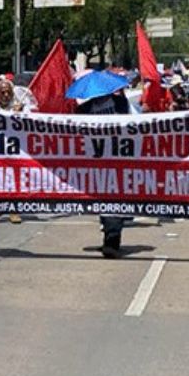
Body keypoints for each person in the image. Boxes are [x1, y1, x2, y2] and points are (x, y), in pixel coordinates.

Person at [77, 87, 135, 257]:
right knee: (102, 200)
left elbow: (136, 123)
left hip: (119, 158)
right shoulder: (84, 109)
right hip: (95, 161)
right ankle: (109, 233)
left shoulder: (121, 103)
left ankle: (112, 240)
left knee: (114, 198)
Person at [0, 79, 27, 226]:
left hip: (14, 150)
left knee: (13, 179)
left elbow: (31, 125)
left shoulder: (20, 107)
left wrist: (20, 114)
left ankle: (13, 209)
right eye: (2, 92)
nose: (5, 95)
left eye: (8, 92)